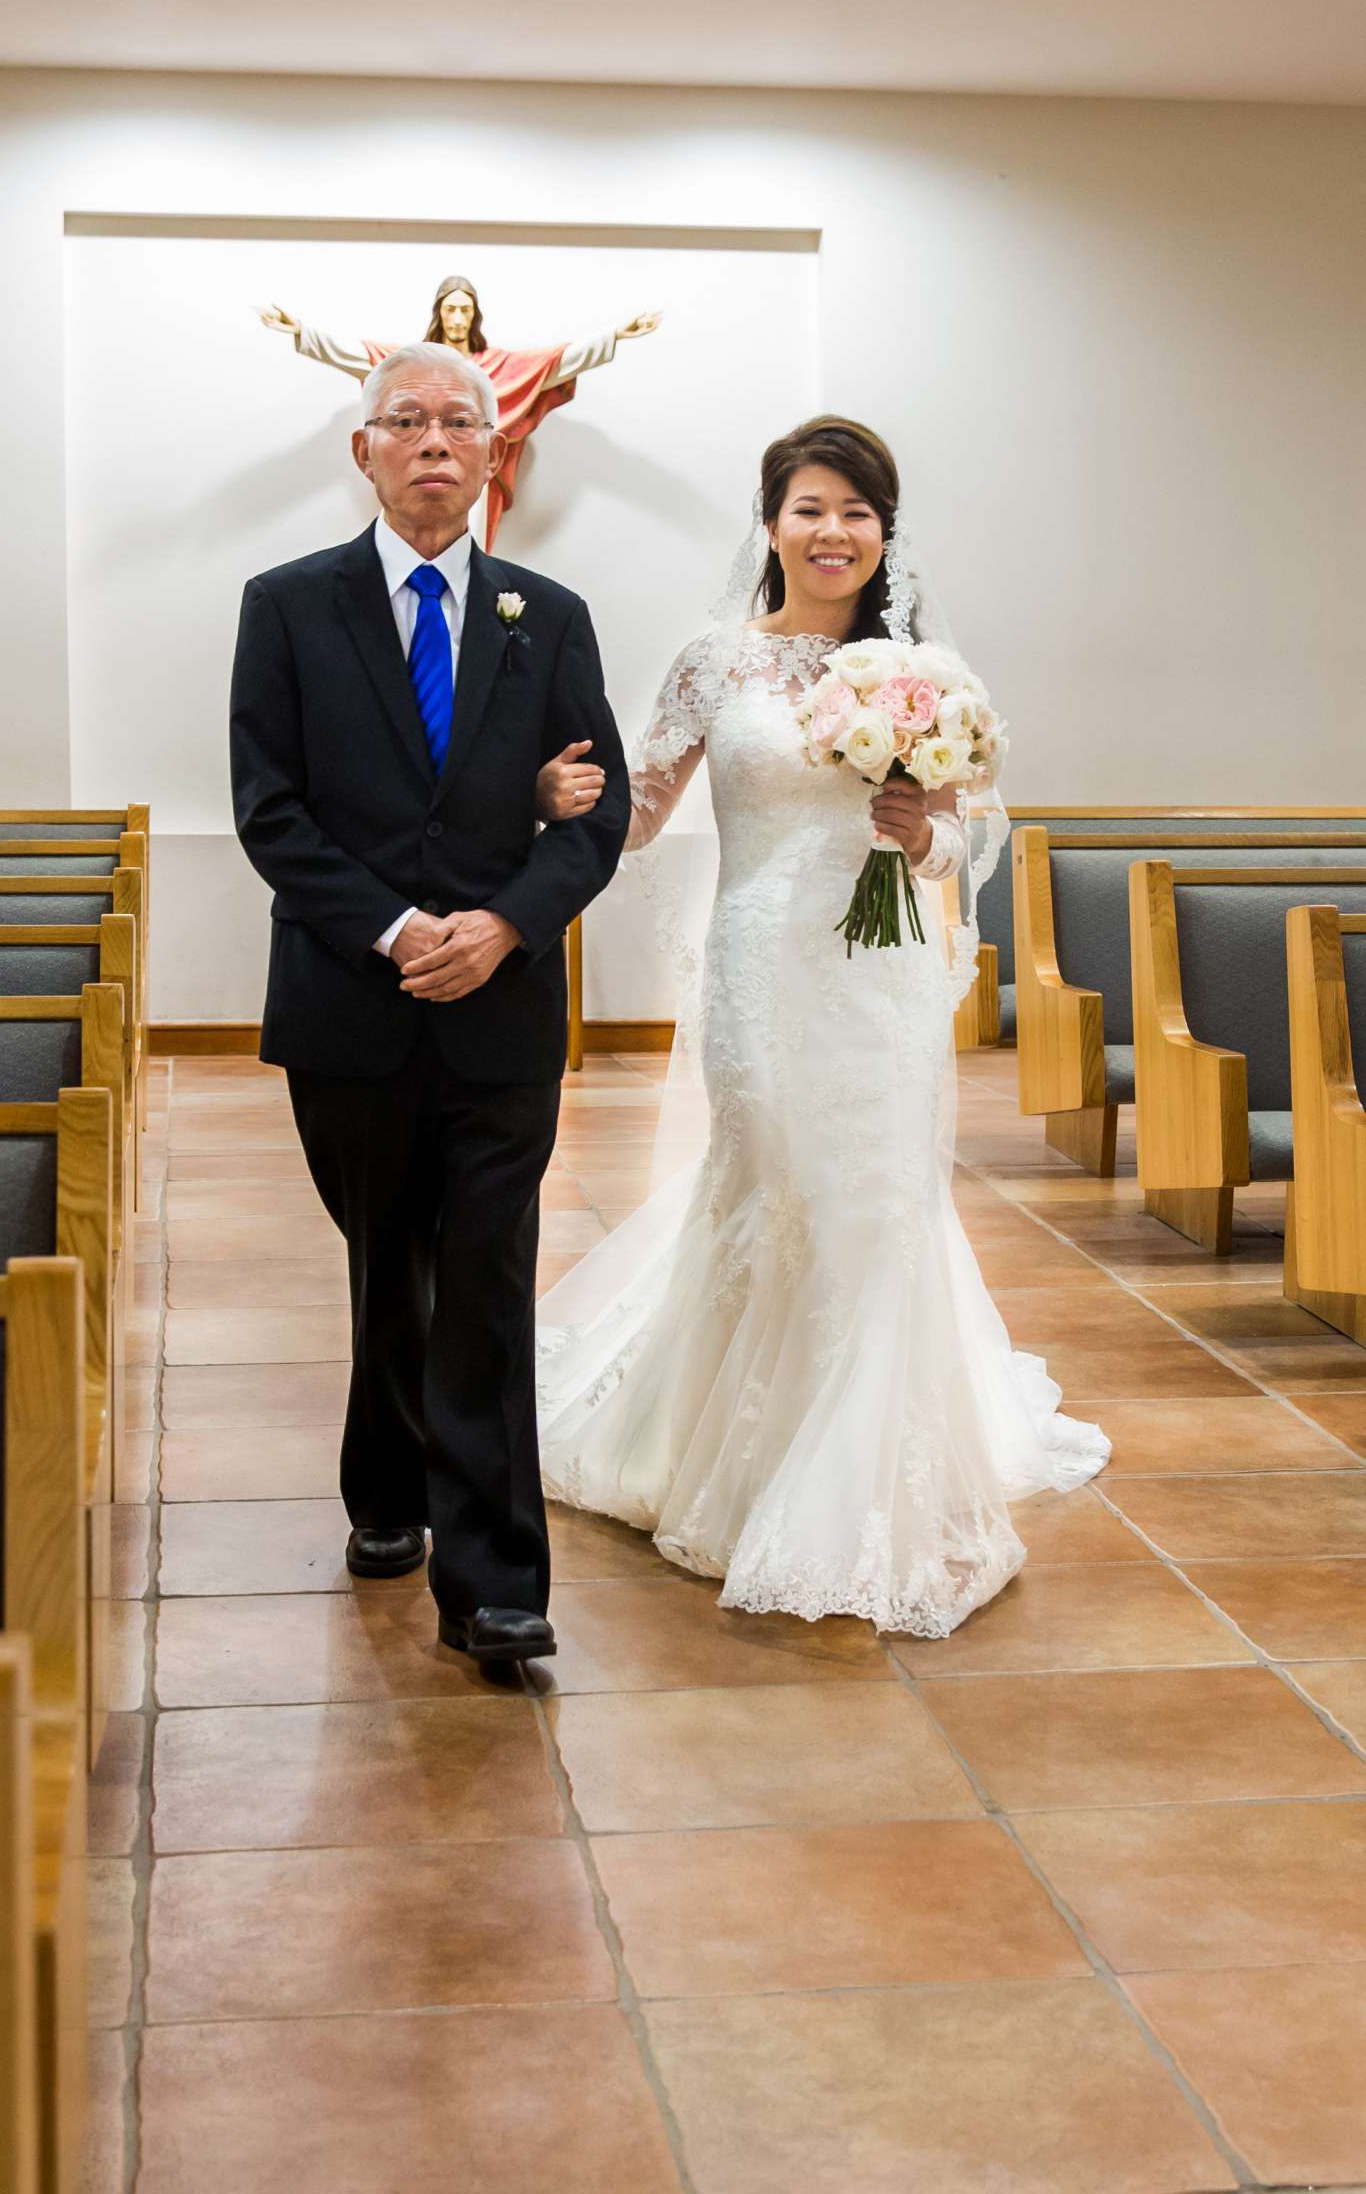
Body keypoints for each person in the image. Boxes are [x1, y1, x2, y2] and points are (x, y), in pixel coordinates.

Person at [532, 415, 1108, 1638]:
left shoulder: (926, 674)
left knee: (874, 1200)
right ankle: (740, 1450)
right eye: (808, 508)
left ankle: (852, 1472)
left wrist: (920, 832)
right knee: (776, 1184)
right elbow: (636, 811)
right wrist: (552, 797)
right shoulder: (712, 662)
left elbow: (965, 837)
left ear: (883, 533)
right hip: (758, 972)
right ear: (770, 524)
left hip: (879, 974)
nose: (830, 531)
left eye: (854, 512)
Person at [229, 341, 630, 1664]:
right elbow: (270, 813)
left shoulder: (546, 618)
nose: (435, 445)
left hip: (499, 1011)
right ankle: (384, 1489)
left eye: (461, 422)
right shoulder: (285, 608)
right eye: (406, 422)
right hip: (349, 1006)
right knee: (383, 1257)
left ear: (494, 451)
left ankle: (497, 1578)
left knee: (486, 1275)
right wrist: (402, 931)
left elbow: (597, 809)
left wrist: (505, 925)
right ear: (366, 451)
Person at [259, 273, 661, 547]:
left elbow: (556, 362)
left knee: (470, 549)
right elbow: (357, 355)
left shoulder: (496, 368)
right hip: (419, 475)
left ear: (474, 315)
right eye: (449, 309)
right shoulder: (411, 366)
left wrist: (616, 335)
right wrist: (301, 332)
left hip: (471, 475)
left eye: (464, 309)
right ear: (439, 313)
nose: (456, 317)